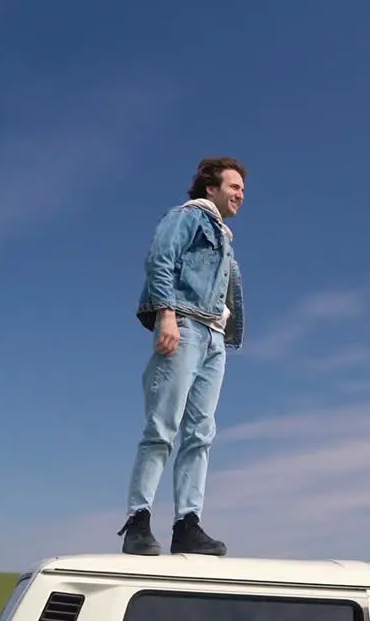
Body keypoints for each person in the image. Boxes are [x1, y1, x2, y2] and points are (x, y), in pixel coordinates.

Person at [117, 157, 247, 556]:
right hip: (185, 326)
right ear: (211, 188)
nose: (240, 194)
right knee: (162, 427)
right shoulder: (187, 217)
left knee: (201, 435)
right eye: (233, 186)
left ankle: (187, 524)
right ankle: (139, 520)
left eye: (243, 189)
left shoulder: (224, 237)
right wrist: (166, 315)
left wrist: (223, 331)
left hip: (213, 337)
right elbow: (160, 260)